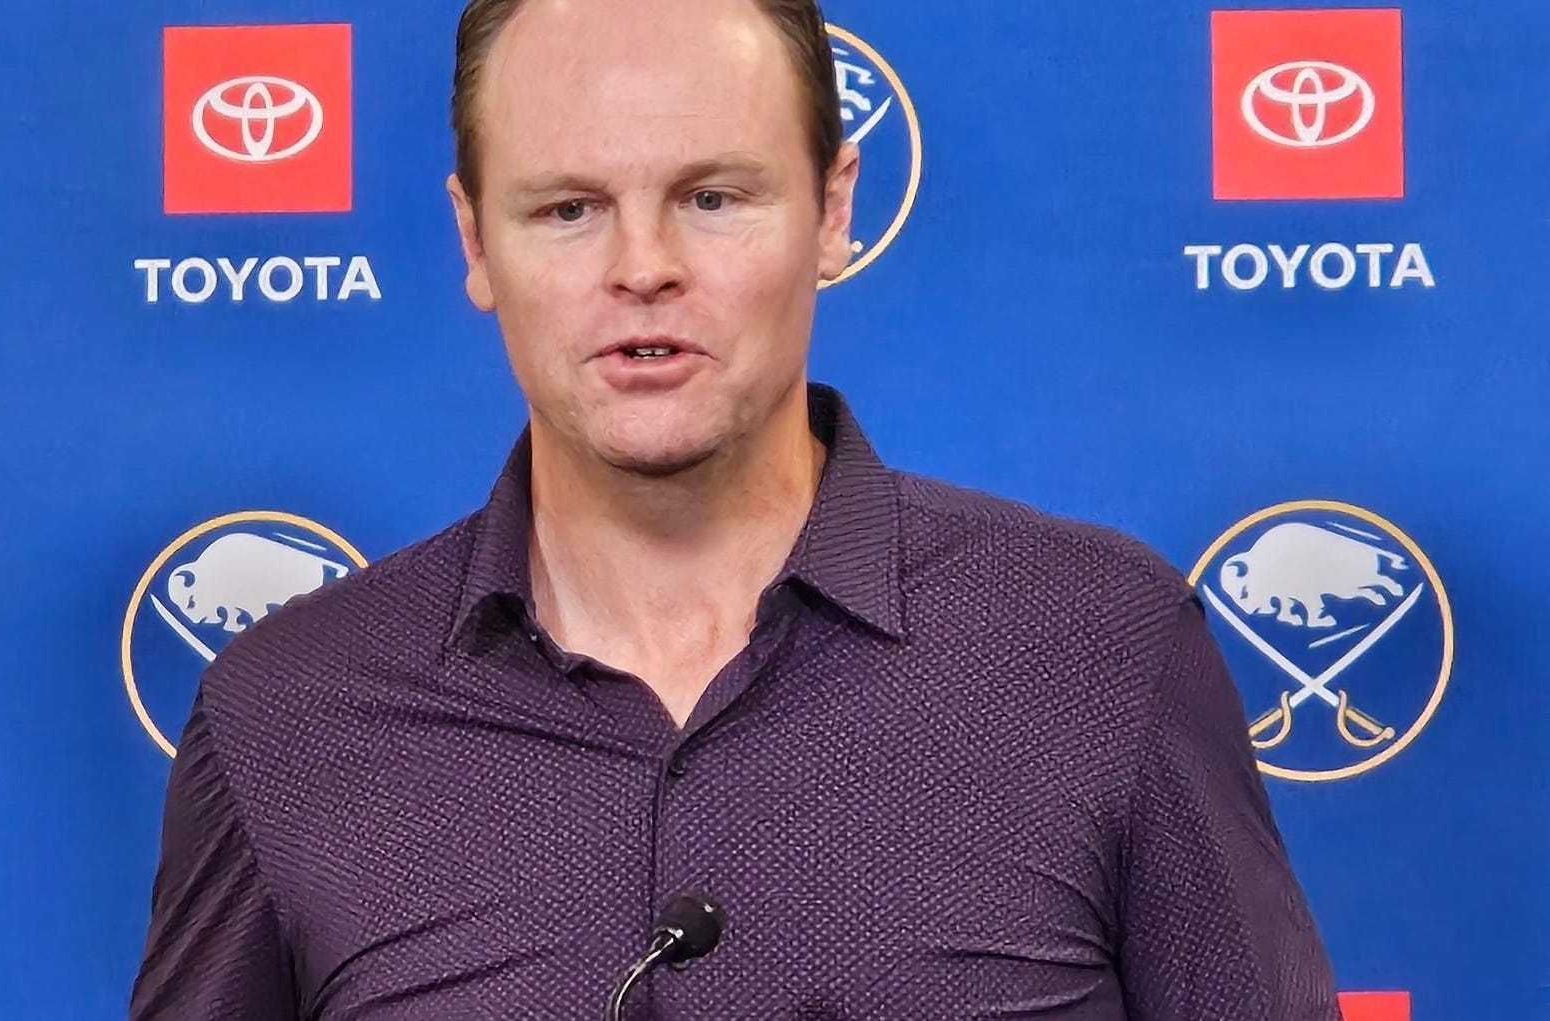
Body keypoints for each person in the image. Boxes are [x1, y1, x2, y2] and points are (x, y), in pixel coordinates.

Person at [129, 0, 1343, 1017]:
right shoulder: (283, 714)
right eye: (567, 209)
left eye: (712, 198)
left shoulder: (1102, 647)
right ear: (475, 241)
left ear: (834, 210)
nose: (642, 266)